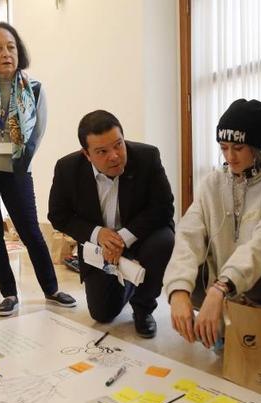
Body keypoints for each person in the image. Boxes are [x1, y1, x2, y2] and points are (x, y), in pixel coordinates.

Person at [164, 99, 261, 349]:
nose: (230, 157)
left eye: (238, 148)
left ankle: (247, 324)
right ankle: (224, 325)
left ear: (255, 147)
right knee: (174, 258)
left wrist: (220, 288)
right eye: (224, 147)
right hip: (225, 278)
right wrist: (178, 291)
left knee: (259, 277)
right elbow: (188, 235)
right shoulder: (212, 183)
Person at [0, 22, 75, 317]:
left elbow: (36, 135)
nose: (6, 53)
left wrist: (8, 152)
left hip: (17, 169)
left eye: (11, 46)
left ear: (18, 51)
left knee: (30, 231)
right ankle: (9, 293)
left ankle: (51, 289)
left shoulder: (34, 89)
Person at [49, 110, 175, 338]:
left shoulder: (147, 157)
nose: (115, 156)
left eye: (118, 145)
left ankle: (143, 308)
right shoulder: (67, 169)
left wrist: (122, 238)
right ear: (86, 154)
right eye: (102, 152)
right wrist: (98, 234)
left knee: (164, 241)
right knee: (102, 314)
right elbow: (58, 215)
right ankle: (128, 280)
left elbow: (164, 207)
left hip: (141, 236)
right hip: (99, 248)